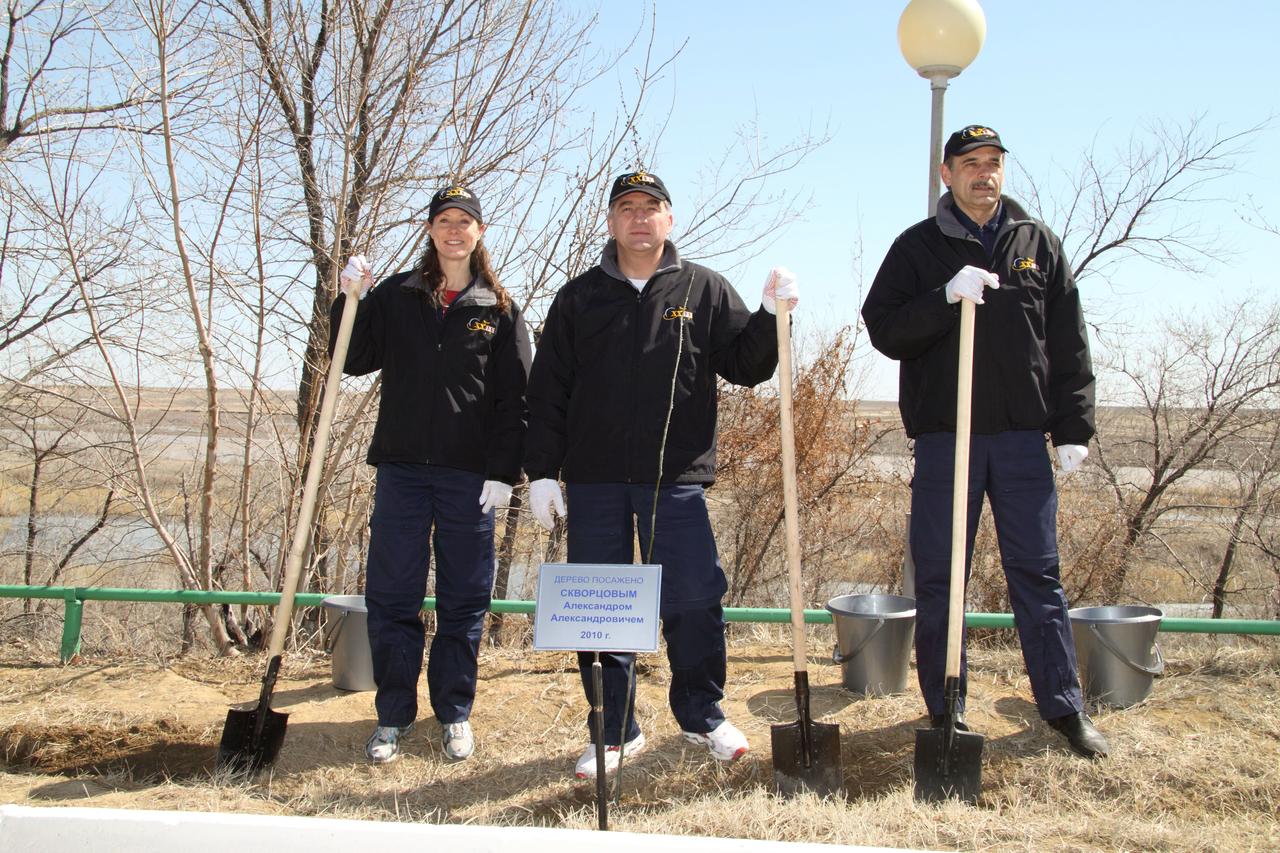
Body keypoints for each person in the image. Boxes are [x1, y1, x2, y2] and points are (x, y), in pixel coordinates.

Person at [523, 169, 799, 779]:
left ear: (669, 220)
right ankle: (614, 729)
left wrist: (772, 314)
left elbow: (747, 366)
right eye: (627, 208)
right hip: (594, 482)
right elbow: (548, 391)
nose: (639, 218)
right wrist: (541, 471)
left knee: (695, 598)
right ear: (612, 221)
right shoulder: (578, 297)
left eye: (651, 208)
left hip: (675, 481)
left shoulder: (702, 288)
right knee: (602, 608)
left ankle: (703, 715)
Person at [861, 125, 1109, 759]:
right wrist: (944, 298)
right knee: (943, 577)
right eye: (970, 164)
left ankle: (1061, 706)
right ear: (947, 174)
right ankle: (947, 706)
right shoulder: (917, 249)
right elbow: (883, 328)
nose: (984, 174)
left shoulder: (1037, 243)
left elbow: (1068, 341)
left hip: (1023, 441)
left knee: (1038, 574)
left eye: (993, 163)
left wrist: (1074, 425)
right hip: (949, 440)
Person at [333, 185, 532, 764]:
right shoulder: (399, 294)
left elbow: (514, 401)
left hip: (470, 478)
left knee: (464, 599)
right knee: (393, 594)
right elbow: (353, 356)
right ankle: (393, 715)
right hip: (401, 471)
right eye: (443, 219)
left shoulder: (497, 308)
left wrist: (503, 472)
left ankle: (455, 713)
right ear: (430, 229)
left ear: (480, 232)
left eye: (464, 221)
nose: (453, 229)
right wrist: (349, 299)